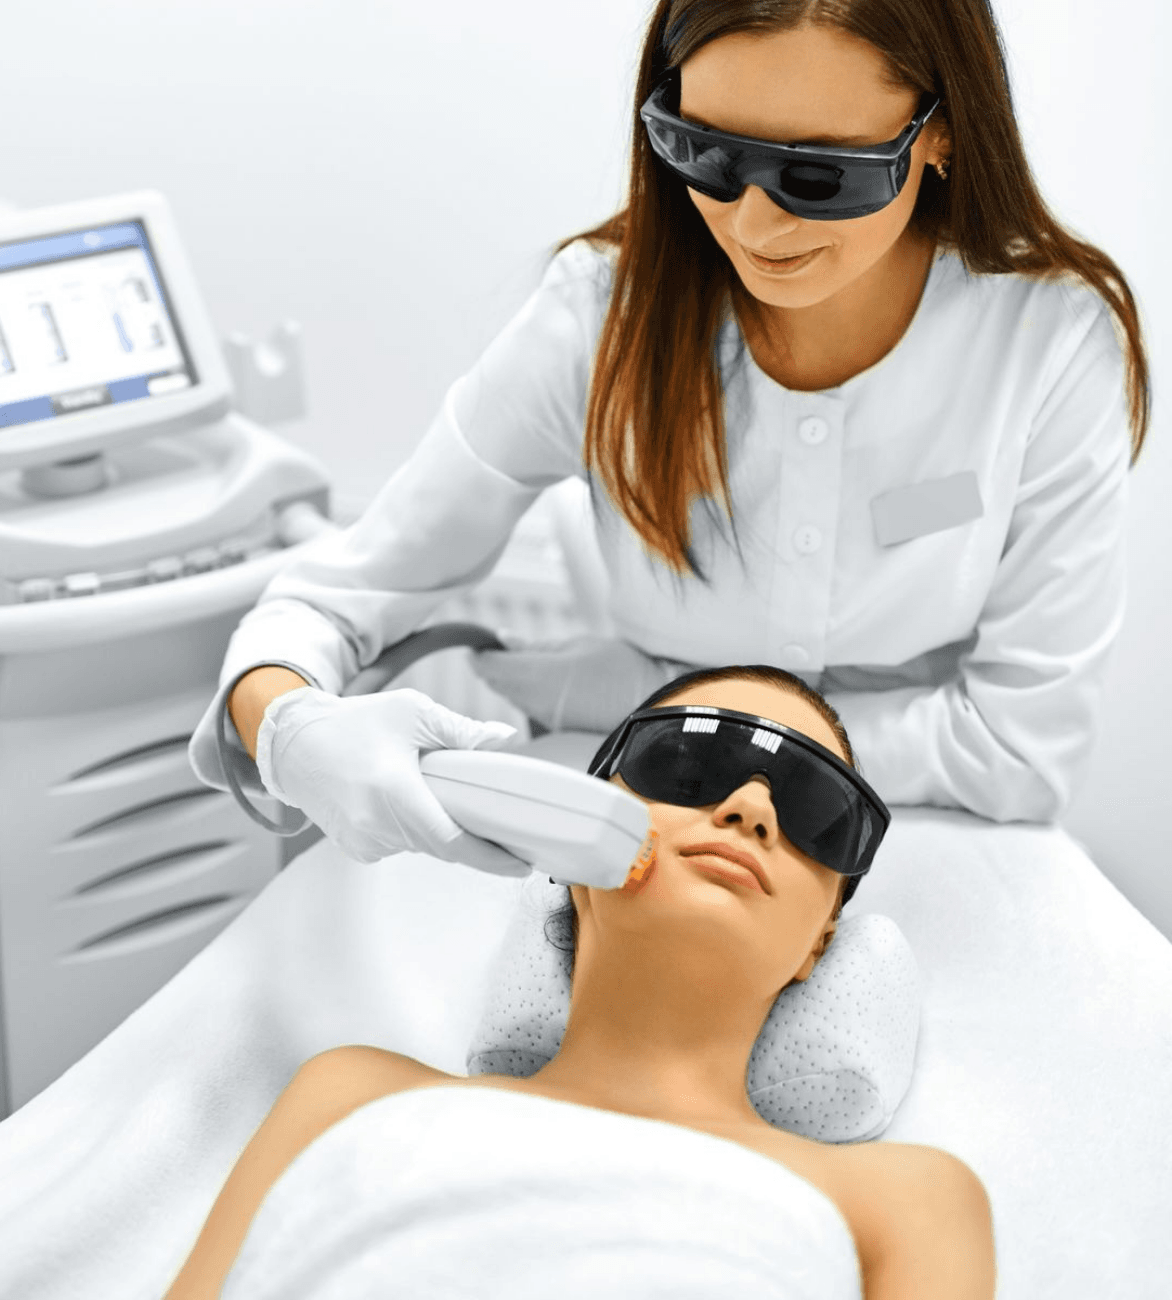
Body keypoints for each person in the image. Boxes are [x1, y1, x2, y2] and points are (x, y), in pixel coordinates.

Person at [188, 0, 1149, 865]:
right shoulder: (599, 318)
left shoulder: (1049, 345)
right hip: (650, 808)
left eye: (819, 174)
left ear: (942, 133)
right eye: (706, 154)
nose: (753, 225)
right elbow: (340, 597)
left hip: (927, 838)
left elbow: (1020, 753)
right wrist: (290, 724)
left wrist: (648, 710)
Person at [164, 666, 995, 1299]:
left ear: (820, 942)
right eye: (689, 767)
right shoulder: (350, 1091)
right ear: (571, 842)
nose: (752, 808)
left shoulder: (908, 1200)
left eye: (817, 809)